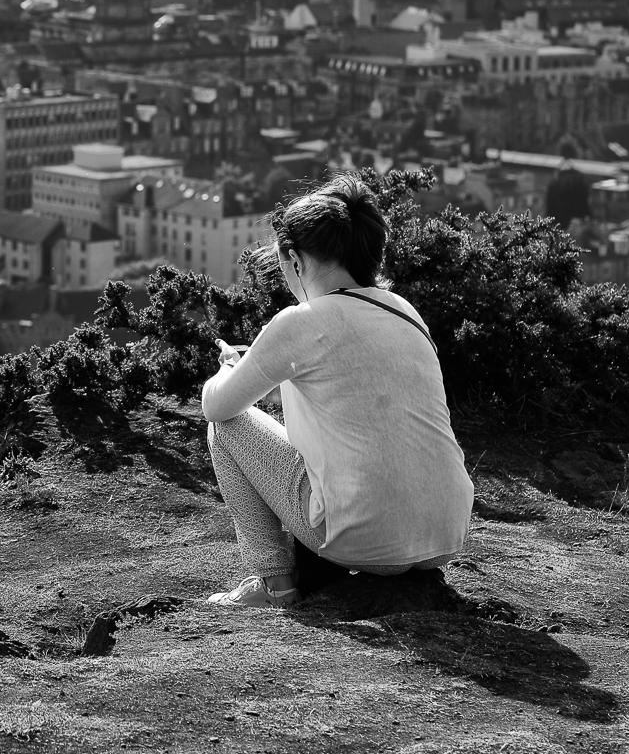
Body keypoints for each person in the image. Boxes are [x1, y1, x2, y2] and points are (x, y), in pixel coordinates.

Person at [199, 174, 474, 607]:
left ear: (296, 259)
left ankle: (275, 585)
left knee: (226, 428)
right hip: (446, 533)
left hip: (362, 540)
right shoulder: (403, 310)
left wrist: (228, 369)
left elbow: (217, 406)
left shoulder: (299, 320)